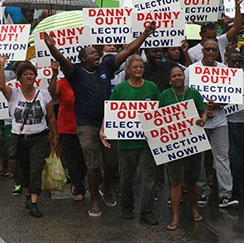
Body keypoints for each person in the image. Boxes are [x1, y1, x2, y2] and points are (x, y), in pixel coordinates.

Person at [42, 21, 157, 217]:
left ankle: (105, 187)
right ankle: (94, 199)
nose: (96, 55)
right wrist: (52, 47)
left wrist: (145, 34)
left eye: (97, 53)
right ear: (83, 59)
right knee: (93, 164)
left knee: (111, 163)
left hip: (109, 124)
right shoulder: (75, 73)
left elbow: (129, 50)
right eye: (91, 53)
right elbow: (62, 60)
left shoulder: (106, 66)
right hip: (86, 125)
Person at [100, 55, 160, 225]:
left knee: (148, 178)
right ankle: (127, 208)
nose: (139, 69)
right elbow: (110, 112)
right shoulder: (120, 90)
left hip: (147, 142)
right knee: (127, 178)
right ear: (127, 70)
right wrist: (103, 130)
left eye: (141, 67)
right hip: (126, 143)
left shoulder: (152, 87)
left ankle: (146, 212)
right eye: (135, 67)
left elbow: (159, 113)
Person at [0, 59, 58, 218]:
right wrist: (1, 64)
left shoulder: (43, 95)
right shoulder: (13, 93)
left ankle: (34, 202)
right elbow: (1, 85)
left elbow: (51, 117)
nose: (29, 76)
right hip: (19, 138)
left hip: (39, 138)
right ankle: (27, 194)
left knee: (36, 169)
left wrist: (55, 135)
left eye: (32, 74)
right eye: (25, 74)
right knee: (23, 169)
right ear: (19, 78)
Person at [186, 39, 239, 209]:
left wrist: (219, 105)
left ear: (218, 52)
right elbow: (185, 96)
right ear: (202, 50)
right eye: (207, 49)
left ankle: (225, 194)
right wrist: (202, 110)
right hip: (198, 122)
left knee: (222, 157)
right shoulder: (191, 71)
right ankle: (202, 190)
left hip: (220, 121)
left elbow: (231, 97)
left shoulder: (224, 70)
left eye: (214, 50)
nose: (210, 53)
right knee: (198, 159)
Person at [159, 65, 207, 231]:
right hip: (174, 145)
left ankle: (194, 209)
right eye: (174, 76)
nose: (178, 78)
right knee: (175, 180)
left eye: (180, 75)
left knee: (192, 180)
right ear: (170, 80)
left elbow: (203, 111)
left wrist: (203, 119)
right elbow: (158, 119)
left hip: (193, 143)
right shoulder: (164, 95)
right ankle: (175, 216)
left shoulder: (193, 93)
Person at [49, 61, 86, 202]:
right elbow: (52, 91)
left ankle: (78, 180)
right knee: (72, 160)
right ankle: (78, 187)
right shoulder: (62, 83)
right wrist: (54, 73)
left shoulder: (83, 81)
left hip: (84, 126)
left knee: (83, 161)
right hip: (66, 127)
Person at [225, 50, 244, 199]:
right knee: (232, 157)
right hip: (226, 123)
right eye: (233, 62)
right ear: (227, 61)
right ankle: (229, 188)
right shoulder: (219, 77)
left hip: (242, 122)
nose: (236, 64)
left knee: (243, 157)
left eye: (239, 62)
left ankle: (240, 186)